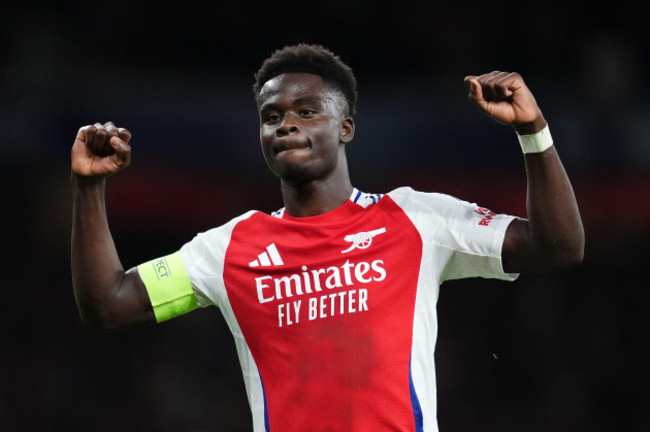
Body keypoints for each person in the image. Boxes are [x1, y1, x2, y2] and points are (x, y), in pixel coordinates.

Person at [70, 44, 584, 431]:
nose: (286, 125)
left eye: (306, 111)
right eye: (272, 118)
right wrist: (89, 187)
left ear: (346, 127)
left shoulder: (416, 219)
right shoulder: (229, 249)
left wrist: (533, 131)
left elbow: (557, 248)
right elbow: (108, 304)